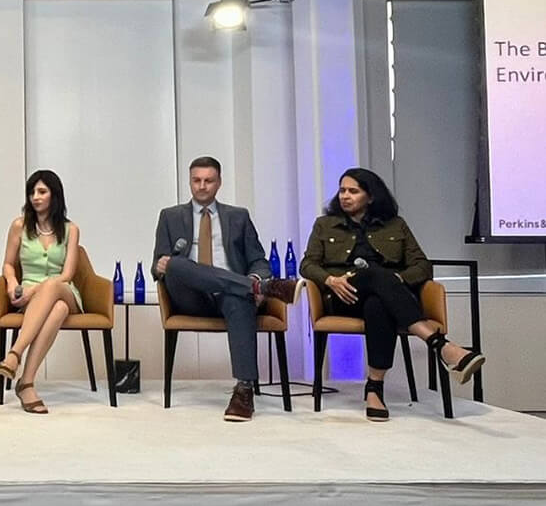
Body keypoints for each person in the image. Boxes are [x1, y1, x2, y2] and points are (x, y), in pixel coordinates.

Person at [300, 167, 484, 422]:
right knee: (370, 275)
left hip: (386, 299)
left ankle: (374, 388)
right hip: (343, 297)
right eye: (342, 190)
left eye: (353, 191)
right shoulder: (325, 225)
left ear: (371, 197)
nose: (345, 196)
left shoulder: (395, 225)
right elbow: (307, 265)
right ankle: (440, 345)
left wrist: (397, 279)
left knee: (378, 300)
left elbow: (422, 266)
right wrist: (331, 280)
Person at [152, 156, 298, 422]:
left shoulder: (238, 216)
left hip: (229, 296)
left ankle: (244, 391)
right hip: (191, 296)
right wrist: (161, 266)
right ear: (190, 182)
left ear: (219, 183)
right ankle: (256, 287)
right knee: (177, 265)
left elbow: (258, 259)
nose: (202, 186)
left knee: (239, 297)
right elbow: (156, 265)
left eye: (208, 181)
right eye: (196, 180)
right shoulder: (170, 216)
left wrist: (254, 275)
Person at [0, 170, 82, 414]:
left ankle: (15, 353)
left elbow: (66, 275)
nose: (35, 197)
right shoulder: (19, 226)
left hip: (65, 290)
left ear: (54, 195)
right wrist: (12, 283)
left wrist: (34, 290)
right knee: (58, 310)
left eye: (42, 192)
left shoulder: (71, 229)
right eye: (32, 192)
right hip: (31, 300)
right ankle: (27, 383)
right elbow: (8, 264)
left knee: (56, 288)